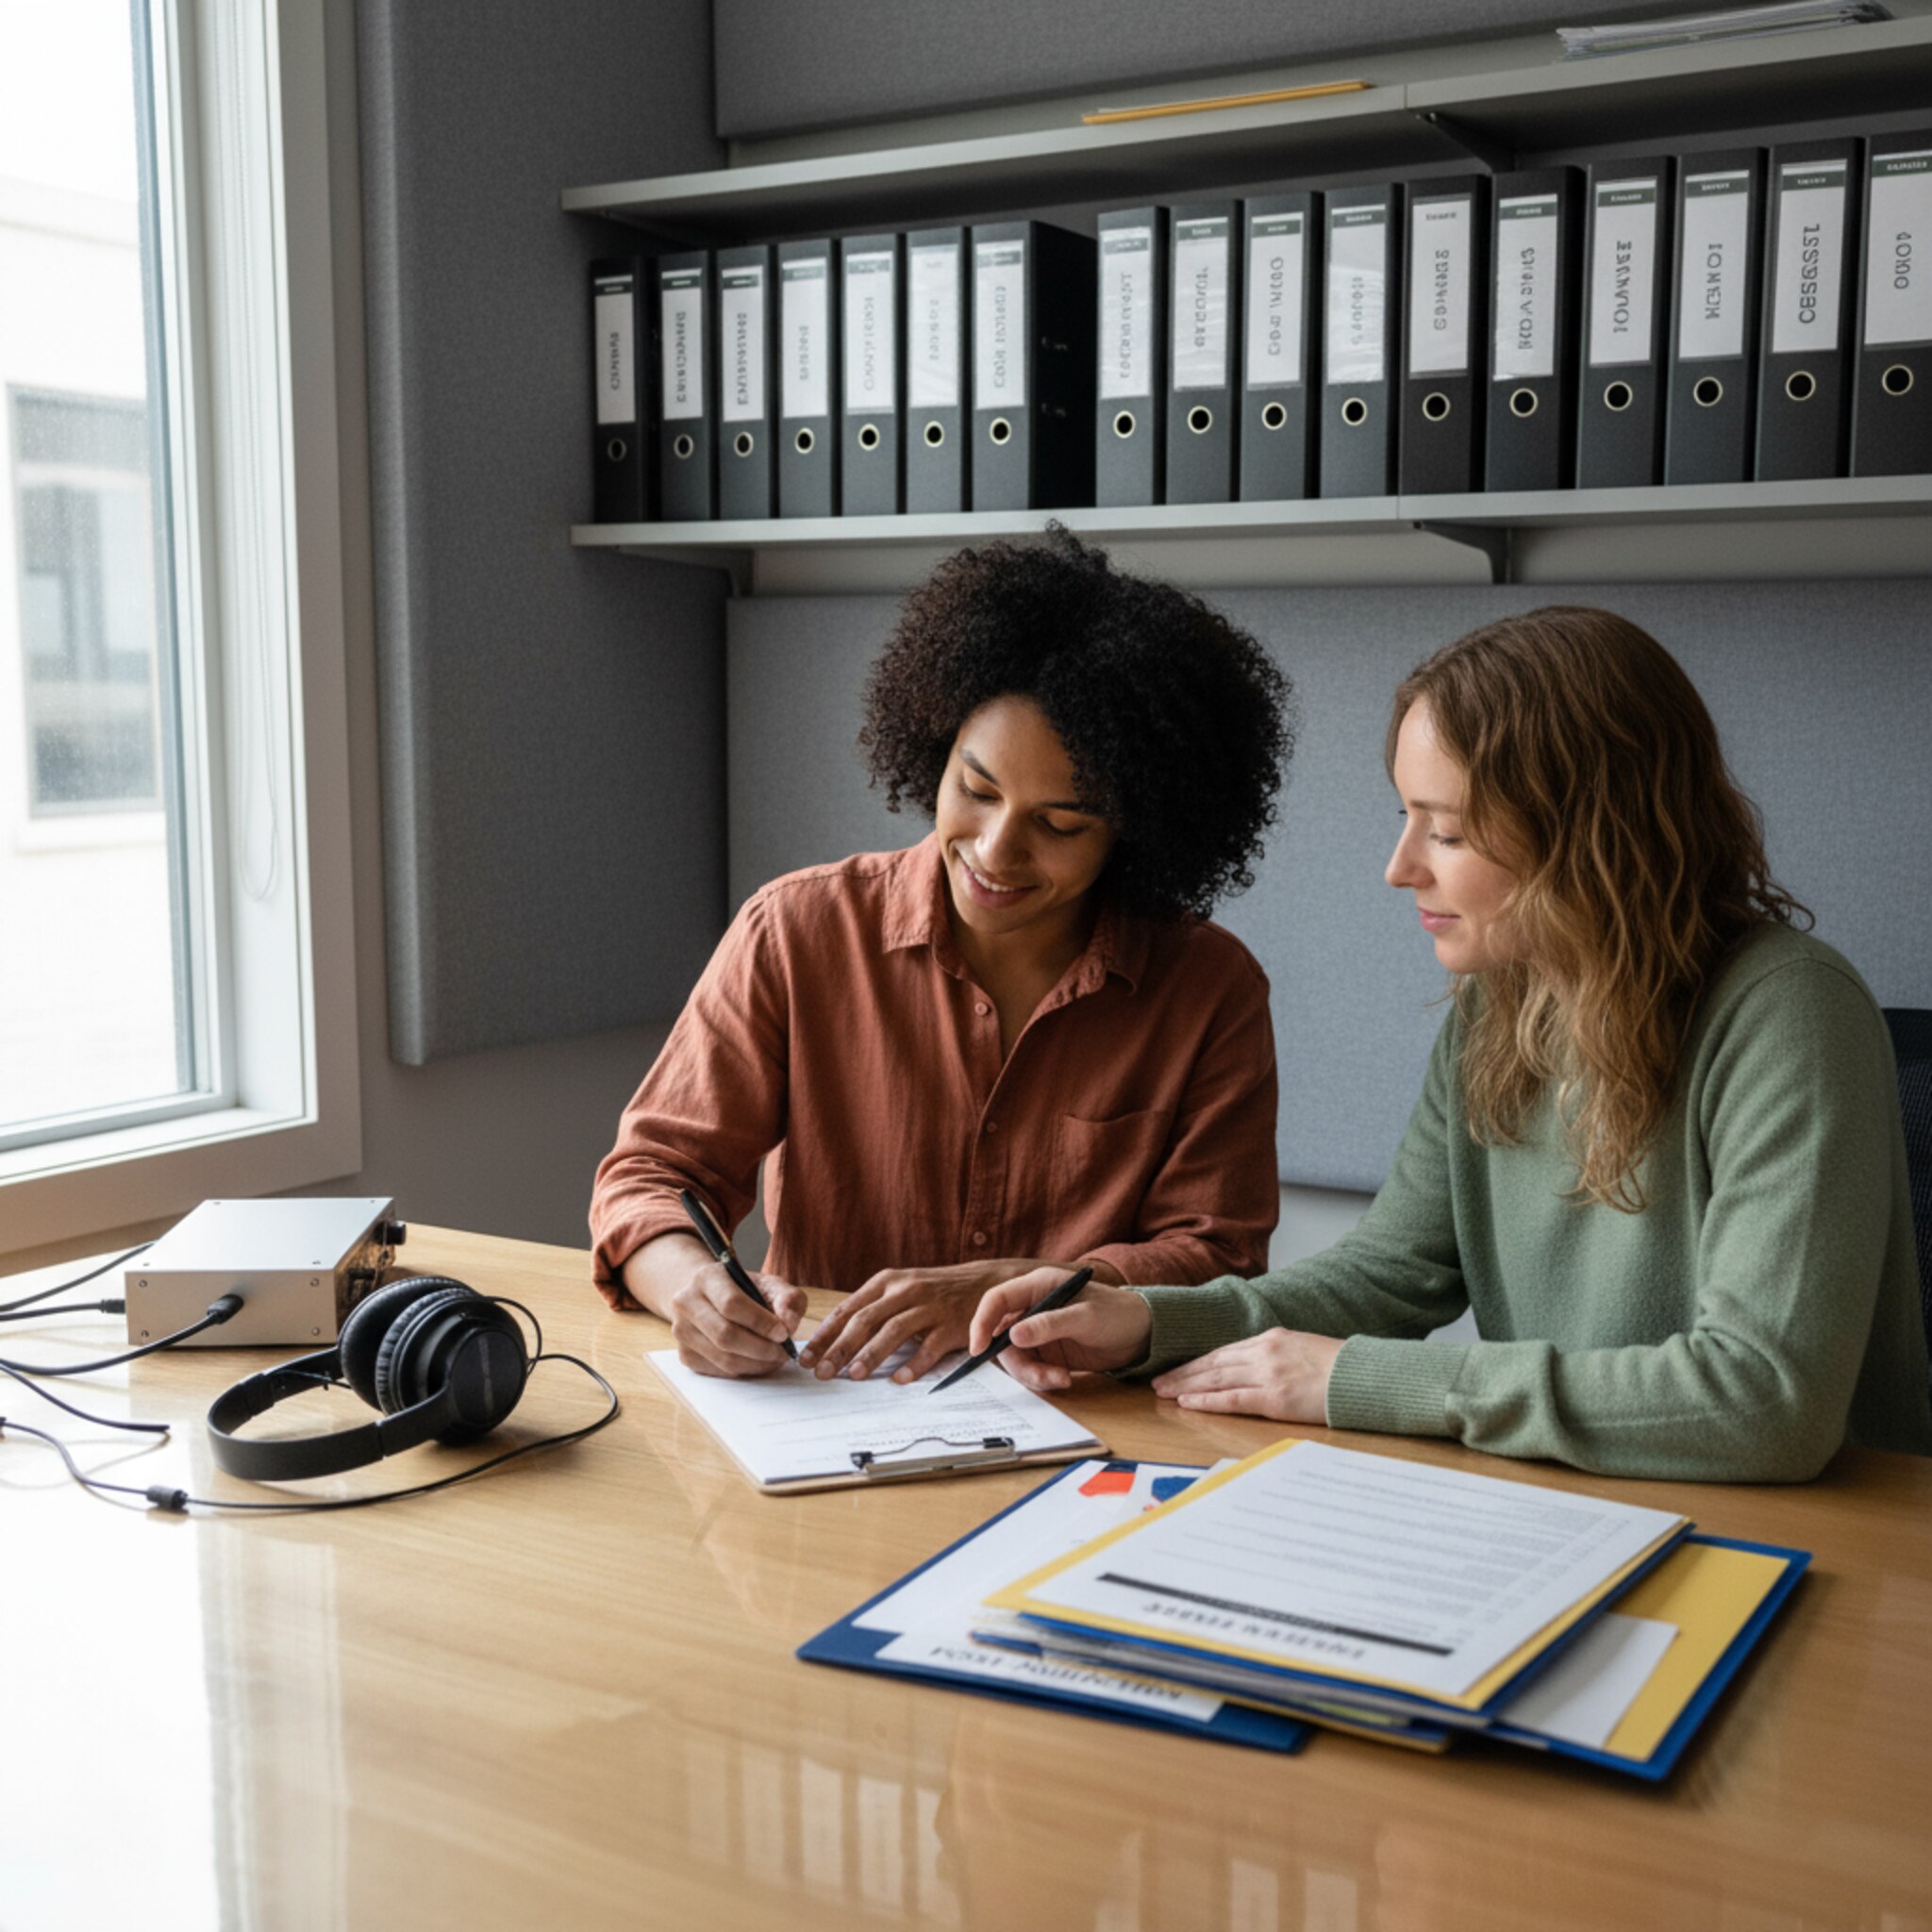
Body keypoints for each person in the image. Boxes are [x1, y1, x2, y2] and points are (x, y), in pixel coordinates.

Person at [974, 606, 1932, 1481]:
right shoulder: (1496, 1004)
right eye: (1406, 818)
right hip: (1582, 1505)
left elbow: (1762, 1401)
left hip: (1830, 1547)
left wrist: (1356, 1379)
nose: (1398, 868)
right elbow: (1390, 1271)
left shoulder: (1790, 1012)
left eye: (1448, 830)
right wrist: (1146, 1320)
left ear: (1590, 837)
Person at [590, 526, 1293, 1380]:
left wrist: (1028, 1292)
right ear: (933, 747)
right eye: (976, 789)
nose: (997, 850)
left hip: (1083, 1430)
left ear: (1135, 831)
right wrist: (693, 1287)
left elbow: (1217, 1258)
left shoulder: (1208, 989)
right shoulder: (798, 933)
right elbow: (651, 1176)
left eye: (1060, 823)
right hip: (826, 1417)